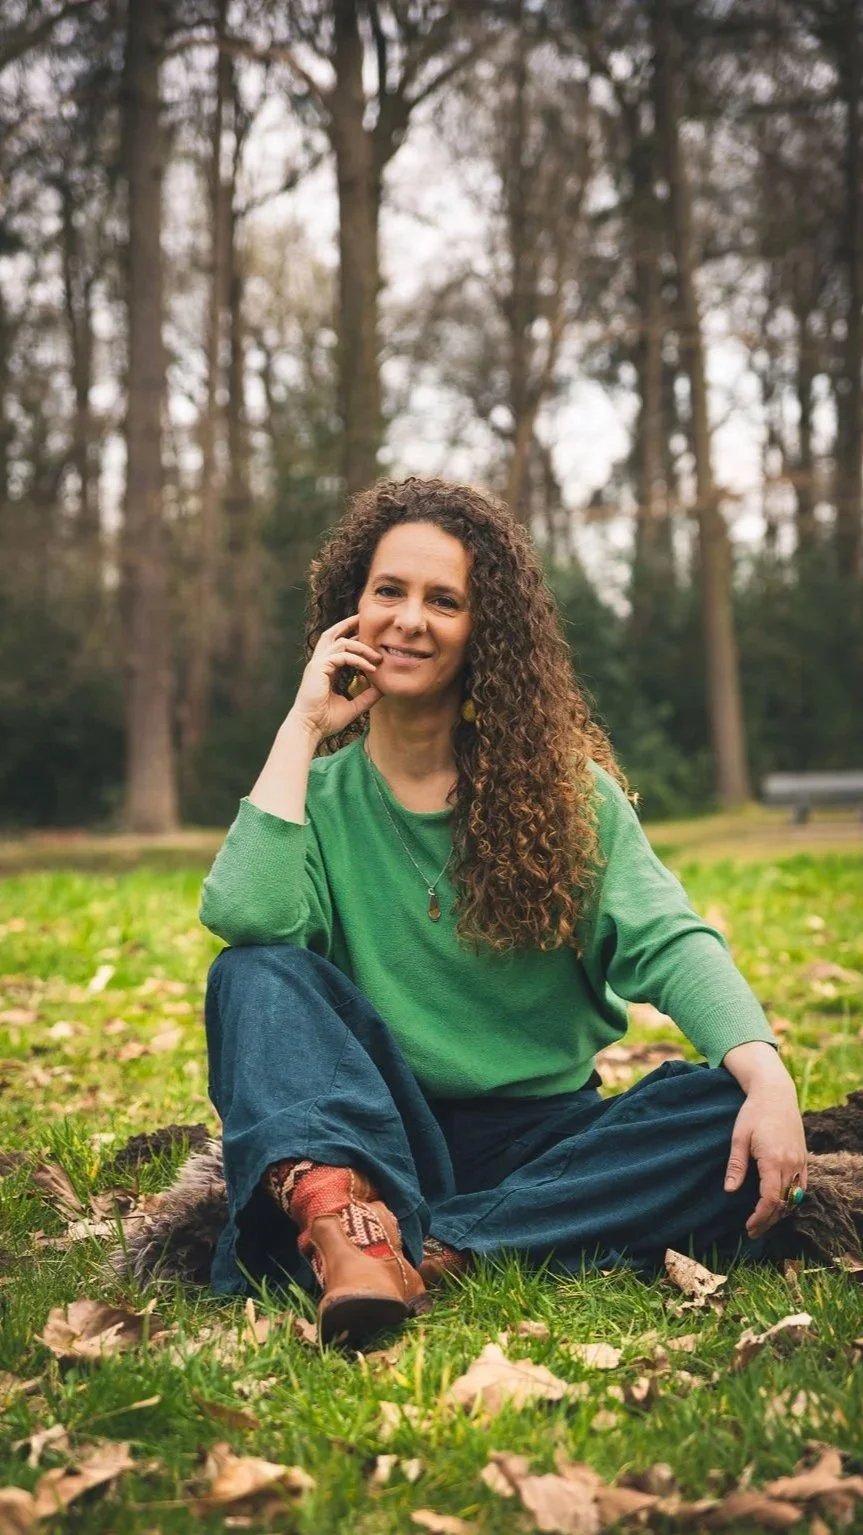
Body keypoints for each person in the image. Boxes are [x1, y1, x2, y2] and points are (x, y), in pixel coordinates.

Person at [200, 476, 807, 1347]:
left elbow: (667, 939)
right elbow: (247, 916)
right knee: (252, 971)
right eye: (388, 591)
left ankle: (432, 1247)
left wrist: (766, 1072)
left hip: (543, 1140)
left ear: (483, 630)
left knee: (723, 1116)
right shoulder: (313, 797)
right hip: (374, 1133)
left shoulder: (560, 794)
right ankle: (352, 1220)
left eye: (443, 600)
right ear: (350, 609)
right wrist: (301, 726)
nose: (409, 619)